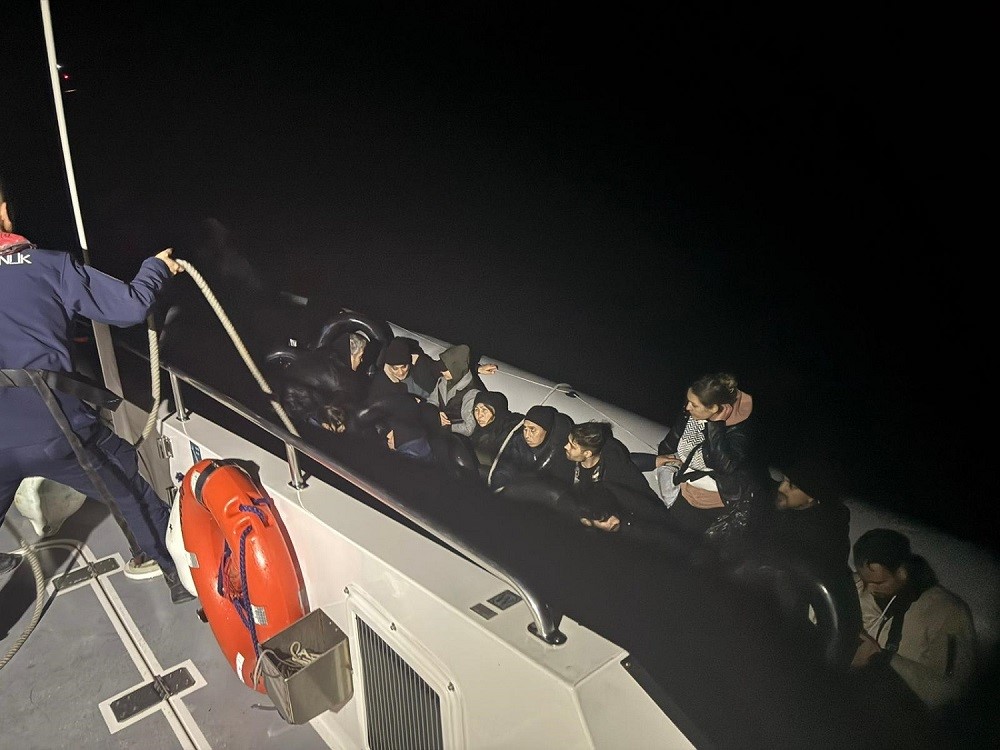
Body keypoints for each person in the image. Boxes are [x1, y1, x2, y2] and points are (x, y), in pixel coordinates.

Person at [0, 181, 193, 602]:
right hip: (55, 427)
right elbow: (130, 306)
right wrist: (155, 267)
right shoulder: (49, 266)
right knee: (129, 489)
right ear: (5, 212)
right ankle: (174, 574)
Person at [744, 456, 861, 667]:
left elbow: (827, 577)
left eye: (792, 486)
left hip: (781, 611)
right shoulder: (777, 500)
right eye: (784, 480)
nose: (782, 488)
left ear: (812, 498)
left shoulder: (826, 529)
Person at [631, 372, 769, 545]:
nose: (687, 407)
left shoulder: (739, 430)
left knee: (680, 540)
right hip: (684, 482)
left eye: (694, 405)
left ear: (714, 409)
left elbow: (725, 465)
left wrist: (716, 426)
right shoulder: (694, 413)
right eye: (688, 401)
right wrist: (663, 454)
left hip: (706, 501)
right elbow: (675, 436)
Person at [850, 528, 978, 709]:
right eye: (865, 580)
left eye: (878, 583)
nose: (869, 589)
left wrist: (880, 658)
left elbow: (950, 691)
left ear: (902, 572)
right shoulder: (855, 587)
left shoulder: (948, 612)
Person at [563, 421, 667, 530]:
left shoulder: (612, 476)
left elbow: (640, 505)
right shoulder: (575, 459)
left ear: (587, 453)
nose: (566, 446)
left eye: (572, 446)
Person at [488, 404, 575, 503]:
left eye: (532, 430)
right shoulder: (519, 442)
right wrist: (500, 489)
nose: (527, 435)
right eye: (525, 429)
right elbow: (505, 468)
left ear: (547, 431)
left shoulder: (563, 453)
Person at [427, 343, 483, 437]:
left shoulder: (472, 392)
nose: (442, 372)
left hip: (455, 437)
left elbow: (469, 428)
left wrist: (446, 426)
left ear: (456, 369)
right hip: (437, 429)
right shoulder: (442, 380)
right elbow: (432, 401)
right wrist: (435, 413)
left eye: (445, 370)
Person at [469, 390, 524, 477]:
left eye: (484, 410)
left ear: (497, 410)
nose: (479, 415)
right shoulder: (479, 431)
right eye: (476, 410)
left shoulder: (509, 432)